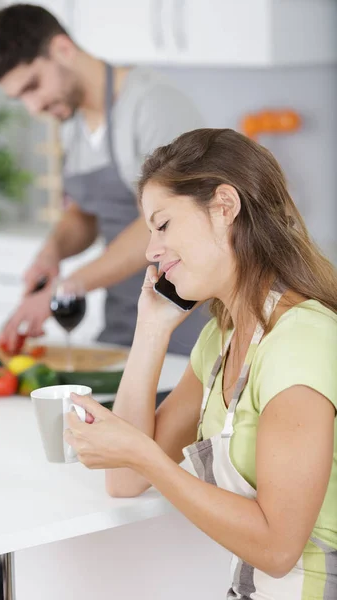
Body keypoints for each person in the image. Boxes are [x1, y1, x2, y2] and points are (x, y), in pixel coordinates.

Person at [64, 129, 337, 598]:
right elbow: (125, 480)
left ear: (224, 207)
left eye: (163, 224)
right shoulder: (221, 340)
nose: (151, 250)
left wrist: (143, 455)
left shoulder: (301, 342)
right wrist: (150, 331)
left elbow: (277, 548)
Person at [0, 3, 208, 354]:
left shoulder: (153, 105)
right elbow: (86, 213)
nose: (33, 107)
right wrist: (51, 253)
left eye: (33, 86)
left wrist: (70, 287)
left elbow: (167, 223)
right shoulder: (72, 124)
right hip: (124, 324)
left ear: (63, 49)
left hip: (186, 327)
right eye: (20, 98)